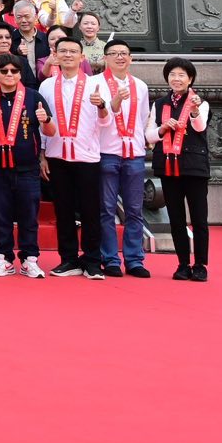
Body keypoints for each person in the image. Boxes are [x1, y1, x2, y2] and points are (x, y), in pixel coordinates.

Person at [40, 37, 111, 277]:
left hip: (87, 155)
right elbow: (43, 122)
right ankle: (68, 259)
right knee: (64, 210)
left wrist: (101, 105)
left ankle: (92, 261)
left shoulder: (96, 85)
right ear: (56, 56)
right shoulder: (47, 86)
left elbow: (106, 121)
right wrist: (42, 154)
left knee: (91, 211)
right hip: (57, 155)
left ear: (82, 57)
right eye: (63, 51)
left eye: (73, 51)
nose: (68, 55)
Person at [96, 41, 156, 278]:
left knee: (134, 209)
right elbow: (96, 119)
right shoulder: (95, 83)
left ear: (131, 58)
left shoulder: (140, 86)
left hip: (134, 153)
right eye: (114, 54)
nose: (120, 57)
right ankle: (110, 258)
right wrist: (113, 105)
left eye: (124, 54)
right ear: (105, 58)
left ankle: (134, 259)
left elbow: (143, 119)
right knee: (106, 209)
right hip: (106, 150)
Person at [0, 51, 44, 277]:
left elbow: (49, 131)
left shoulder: (33, 96)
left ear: (20, 73)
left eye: (14, 71)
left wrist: (46, 121)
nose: (9, 74)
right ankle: (4, 258)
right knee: (0, 214)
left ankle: (30, 258)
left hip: (28, 167)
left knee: (29, 214)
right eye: (4, 71)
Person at [153, 57, 212, 281]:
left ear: (190, 79)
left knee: (199, 218)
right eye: (172, 75)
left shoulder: (201, 102)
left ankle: (200, 264)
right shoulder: (159, 104)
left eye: (181, 75)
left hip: (194, 167)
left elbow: (200, 127)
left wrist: (195, 111)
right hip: (168, 166)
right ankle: (182, 263)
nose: (176, 79)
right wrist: (161, 129)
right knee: (176, 218)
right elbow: (149, 135)